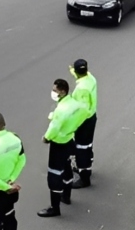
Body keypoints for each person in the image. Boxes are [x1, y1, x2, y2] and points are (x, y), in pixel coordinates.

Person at [38, 79, 88, 218]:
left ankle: (54, 208)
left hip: (58, 144)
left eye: (55, 90)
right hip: (69, 141)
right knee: (66, 169)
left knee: (54, 175)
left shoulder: (61, 110)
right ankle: (66, 196)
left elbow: (54, 127)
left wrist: (46, 138)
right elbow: (84, 113)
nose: (53, 92)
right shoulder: (75, 104)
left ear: (63, 91)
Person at [69, 59, 97, 189]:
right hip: (92, 117)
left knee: (82, 149)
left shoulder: (81, 89)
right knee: (88, 145)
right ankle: (87, 166)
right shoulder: (91, 78)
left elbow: (82, 111)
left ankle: (85, 177)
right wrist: (73, 70)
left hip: (84, 121)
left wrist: (74, 124)